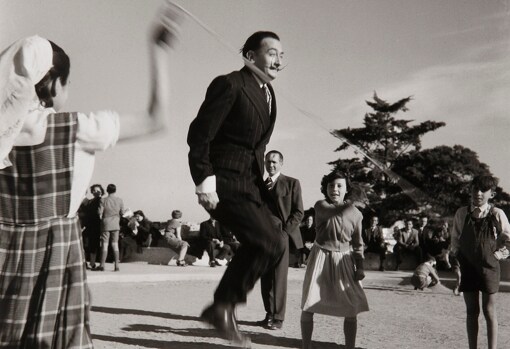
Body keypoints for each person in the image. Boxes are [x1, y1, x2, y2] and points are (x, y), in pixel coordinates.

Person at [0, 6, 179, 347]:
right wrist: (158, 50)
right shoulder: (75, 128)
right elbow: (156, 119)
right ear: (52, 84)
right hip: (53, 260)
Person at [187, 31, 286, 344]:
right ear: (250, 55)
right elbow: (199, 134)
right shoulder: (229, 84)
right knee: (268, 241)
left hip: (251, 185)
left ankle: (222, 306)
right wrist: (203, 179)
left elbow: (256, 146)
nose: (279, 61)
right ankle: (223, 308)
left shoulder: (268, 94)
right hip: (225, 183)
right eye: (272, 53)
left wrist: (264, 180)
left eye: (282, 56)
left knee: (275, 242)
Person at [300, 170, 368, 349]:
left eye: (340, 186)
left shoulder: (356, 215)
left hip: (344, 260)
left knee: (351, 306)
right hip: (320, 257)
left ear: (347, 189)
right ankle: (306, 346)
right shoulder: (321, 206)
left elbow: (358, 244)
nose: (335, 189)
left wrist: (359, 266)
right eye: (331, 186)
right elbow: (335, 213)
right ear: (325, 188)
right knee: (309, 303)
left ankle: (350, 347)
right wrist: (354, 205)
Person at [450, 175, 510, 349]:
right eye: (475, 189)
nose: (478, 193)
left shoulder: (496, 214)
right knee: (471, 311)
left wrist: (499, 255)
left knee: (489, 311)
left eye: (483, 190)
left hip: (489, 269)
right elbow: (455, 239)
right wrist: (456, 260)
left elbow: (509, 240)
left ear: (491, 194)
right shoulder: (462, 213)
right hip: (468, 268)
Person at [259, 150, 304, 330]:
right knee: (265, 276)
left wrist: (285, 232)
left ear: (281, 163)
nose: (271, 165)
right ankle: (269, 313)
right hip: (263, 236)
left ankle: (278, 318)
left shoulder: (292, 183)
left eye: (274, 162)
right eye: (268, 162)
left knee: (279, 277)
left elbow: (299, 212)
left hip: (282, 235)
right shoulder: (261, 185)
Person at [97, 184, 125, 272]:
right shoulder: (119, 200)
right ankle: (116, 266)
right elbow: (122, 213)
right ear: (115, 190)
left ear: (107, 190)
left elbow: (99, 212)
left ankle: (102, 265)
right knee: (115, 245)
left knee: (105, 245)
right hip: (116, 224)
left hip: (106, 224)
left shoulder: (103, 200)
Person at [79, 184, 104, 269]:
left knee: (93, 245)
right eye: (93, 190)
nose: (94, 192)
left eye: (97, 190)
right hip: (89, 225)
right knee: (86, 244)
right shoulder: (90, 201)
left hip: (96, 225)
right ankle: (86, 262)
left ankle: (92, 263)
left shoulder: (101, 200)